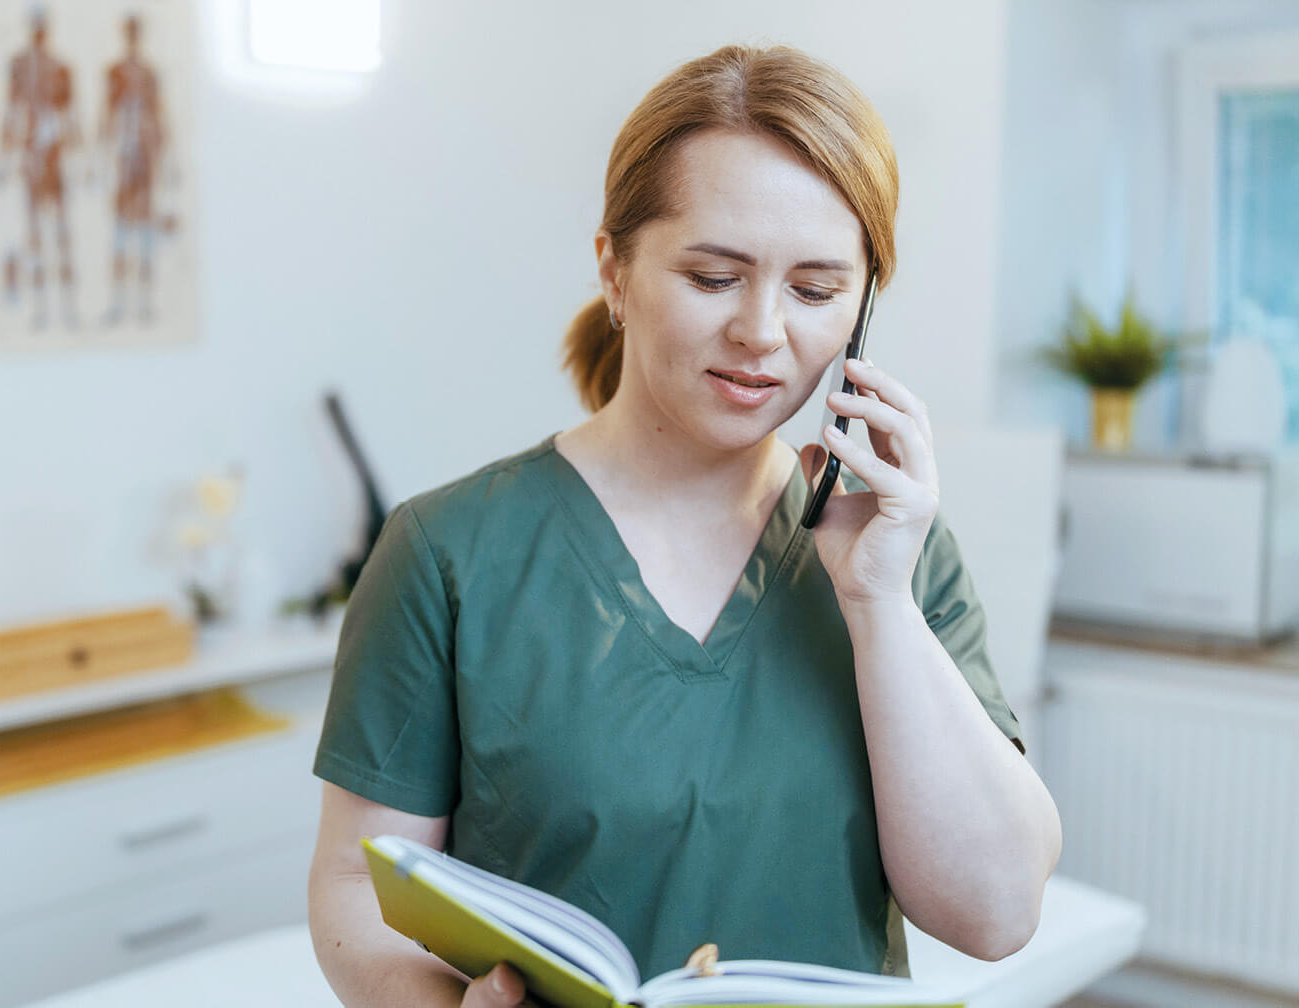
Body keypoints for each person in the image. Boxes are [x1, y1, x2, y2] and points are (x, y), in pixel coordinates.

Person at [306, 44, 1063, 1008]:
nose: (762, 331)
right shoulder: (446, 555)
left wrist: (876, 603)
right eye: (713, 278)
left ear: (863, 312)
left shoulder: (897, 556)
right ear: (614, 272)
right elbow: (352, 892)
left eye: (818, 291)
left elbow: (995, 915)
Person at [0, 4, 82, 330]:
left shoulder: (61, 68)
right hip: (31, 157)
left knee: (61, 230)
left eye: (41, 25)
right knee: (34, 234)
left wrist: (82, 159)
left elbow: (71, 117)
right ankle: (41, 308)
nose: (38, 31)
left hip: (54, 156)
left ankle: (69, 306)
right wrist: (3, 159)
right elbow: (10, 112)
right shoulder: (18, 66)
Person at [99, 12, 167, 327]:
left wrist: (167, 159)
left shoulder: (150, 73)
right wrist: (100, 156)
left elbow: (160, 115)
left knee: (146, 235)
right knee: (121, 234)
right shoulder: (115, 72)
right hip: (125, 163)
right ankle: (118, 302)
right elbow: (107, 114)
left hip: (146, 162)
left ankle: (145, 304)